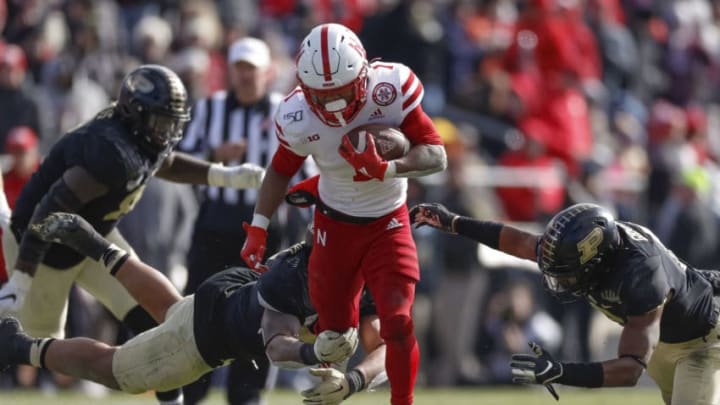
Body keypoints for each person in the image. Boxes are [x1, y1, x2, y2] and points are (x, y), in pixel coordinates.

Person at [0, 64, 265, 405]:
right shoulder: (109, 152)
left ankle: (172, 400)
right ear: (136, 115)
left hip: (94, 238)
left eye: (172, 122)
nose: (167, 131)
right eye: (162, 122)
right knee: (36, 348)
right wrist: (21, 279)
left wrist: (222, 176)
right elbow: (48, 211)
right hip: (46, 248)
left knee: (160, 324)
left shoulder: (139, 137)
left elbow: (162, 162)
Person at [240, 23, 447, 405]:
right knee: (334, 335)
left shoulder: (390, 87)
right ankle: (335, 391)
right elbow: (281, 170)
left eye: (342, 92)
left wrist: (389, 168)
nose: (334, 105)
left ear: (364, 75)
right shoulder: (296, 113)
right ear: (305, 88)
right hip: (333, 225)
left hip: (388, 220)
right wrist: (258, 227)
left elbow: (436, 154)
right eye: (324, 95)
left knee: (398, 322)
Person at [0, 212, 386, 405]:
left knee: (174, 311)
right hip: (209, 335)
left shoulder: (355, 277)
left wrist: (354, 381)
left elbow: (388, 345)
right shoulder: (295, 279)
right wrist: (311, 352)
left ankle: (97, 245)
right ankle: (17, 346)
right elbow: (275, 345)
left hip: (225, 295)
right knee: (118, 372)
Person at [410, 202, 720, 404]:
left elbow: (629, 370)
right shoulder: (587, 248)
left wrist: (561, 371)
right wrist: (454, 223)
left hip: (699, 342)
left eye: (568, 275)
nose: (562, 282)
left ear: (597, 260)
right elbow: (520, 242)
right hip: (664, 341)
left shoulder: (641, 275)